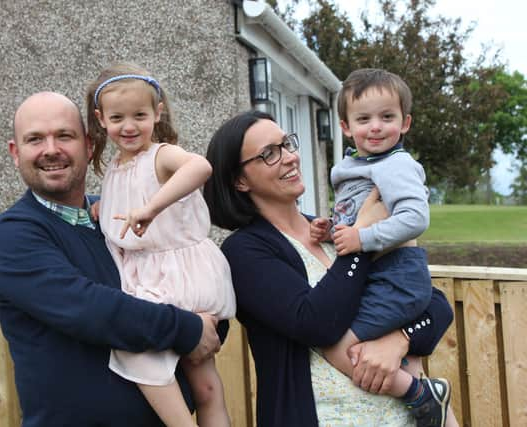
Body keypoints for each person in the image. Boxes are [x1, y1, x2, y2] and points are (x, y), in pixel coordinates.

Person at [0, 91, 223, 427]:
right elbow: (92, 310)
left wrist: (206, 324)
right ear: (15, 152)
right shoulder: (14, 236)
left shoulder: (117, 218)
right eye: (35, 139)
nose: (51, 149)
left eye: (64, 136)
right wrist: (188, 328)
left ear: (89, 145)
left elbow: (184, 281)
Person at [203, 110, 455, 427]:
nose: (289, 158)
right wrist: (360, 241)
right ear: (239, 180)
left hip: (407, 418)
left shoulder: (328, 230)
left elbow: (435, 304)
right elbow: (316, 322)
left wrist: (400, 339)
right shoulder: (245, 251)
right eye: (269, 154)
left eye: (287, 144)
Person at [85, 62, 236, 427]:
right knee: (204, 386)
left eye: (140, 115)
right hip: (148, 275)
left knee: (140, 353)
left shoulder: (161, 155)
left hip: (178, 272)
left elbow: (199, 168)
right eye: (117, 117)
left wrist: (152, 207)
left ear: (158, 112)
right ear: (100, 119)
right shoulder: (115, 170)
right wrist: (102, 208)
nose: (129, 126)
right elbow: (126, 208)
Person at [307, 68, 451, 426]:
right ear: (345, 127)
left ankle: (421, 395)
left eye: (387, 117)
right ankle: (419, 392)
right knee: (364, 343)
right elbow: (359, 215)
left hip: (395, 274)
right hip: (378, 273)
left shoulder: (395, 164)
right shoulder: (358, 165)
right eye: (364, 119)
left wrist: (360, 239)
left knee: (340, 345)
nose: (375, 127)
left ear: (404, 123)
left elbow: (416, 218)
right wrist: (332, 229)